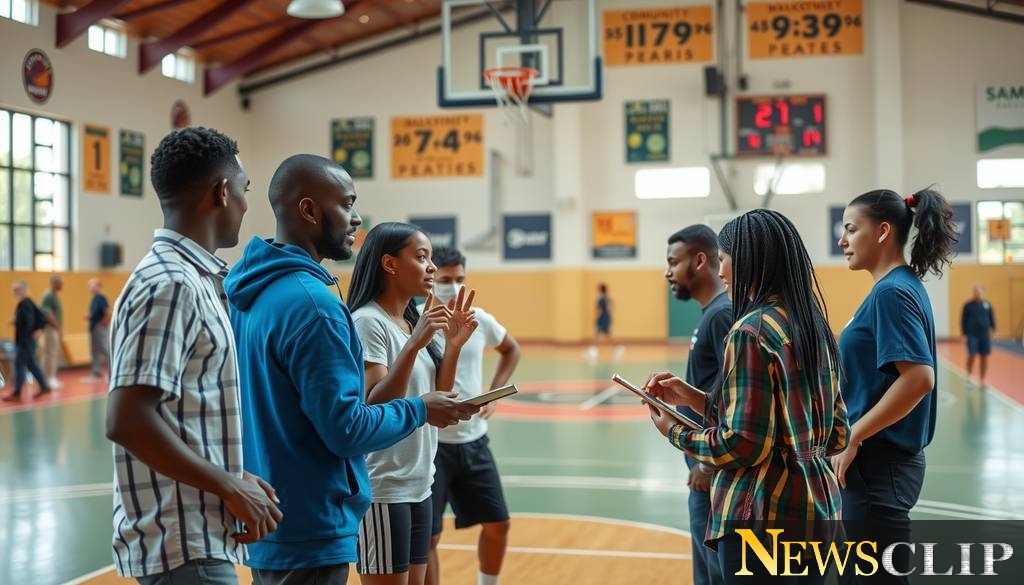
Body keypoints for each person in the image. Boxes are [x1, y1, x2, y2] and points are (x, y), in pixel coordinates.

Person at [225, 154, 477, 585]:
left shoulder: (250, 294)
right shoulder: (315, 305)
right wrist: (419, 409)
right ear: (308, 210)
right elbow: (346, 428)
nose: (356, 218)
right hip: (311, 519)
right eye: (347, 204)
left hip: (270, 511)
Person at [105, 127, 282, 584]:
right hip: (184, 546)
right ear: (222, 192)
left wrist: (233, 473)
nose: (247, 203)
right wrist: (226, 485)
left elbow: (179, 413)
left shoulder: (192, 279)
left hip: (196, 542)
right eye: (244, 190)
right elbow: (127, 418)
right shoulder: (171, 283)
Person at [646, 209, 849, 584]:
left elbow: (743, 445)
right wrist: (697, 399)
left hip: (759, 517)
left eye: (723, 261)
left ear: (747, 263)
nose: (721, 273)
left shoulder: (750, 331)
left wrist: (675, 433)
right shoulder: (814, 326)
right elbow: (837, 433)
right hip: (817, 512)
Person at [833, 188, 957, 584]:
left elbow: (919, 378)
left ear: (883, 230)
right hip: (878, 469)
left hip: (878, 467)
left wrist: (854, 435)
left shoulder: (892, 292)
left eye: (851, 229)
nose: (843, 240)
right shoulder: (897, 287)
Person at [348, 223, 480, 585]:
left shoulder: (409, 323)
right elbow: (374, 405)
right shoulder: (368, 322)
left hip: (420, 481)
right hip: (383, 486)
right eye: (422, 258)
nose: (432, 268)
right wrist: (414, 345)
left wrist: (452, 346)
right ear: (390, 264)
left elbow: (438, 403)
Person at [425, 246, 520, 585]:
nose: (453, 285)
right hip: (433, 446)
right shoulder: (420, 324)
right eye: (446, 279)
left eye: (460, 279)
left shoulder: (479, 318)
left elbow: (511, 349)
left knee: (498, 525)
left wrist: (494, 393)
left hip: (475, 440)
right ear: (432, 278)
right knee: (428, 539)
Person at [663, 225, 731, 585]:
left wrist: (706, 461)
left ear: (700, 260)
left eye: (674, 262)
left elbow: (734, 397)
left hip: (713, 475)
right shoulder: (713, 314)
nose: (668, 272)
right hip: (708, 471)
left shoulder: (722, 315)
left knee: (715, 574)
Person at [4, 280, 50, 402]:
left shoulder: (26, 303)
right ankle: (45, 386)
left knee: (19, 364)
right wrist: (16, 322)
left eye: (17, 289)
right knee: (31, 364)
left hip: (26, 340)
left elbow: (35, 320)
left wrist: (38, 330)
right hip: (25, 340)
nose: (14, 291)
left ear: (24, 289)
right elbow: (36, 319)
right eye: (13, 289)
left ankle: (17, 392)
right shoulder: (24, 304)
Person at [961, 285, 996, 386]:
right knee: (971, 355)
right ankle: (968, 376)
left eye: (980, 292)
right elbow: (963, 320)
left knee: (984, 357)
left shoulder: (987, 305)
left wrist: (993, 329)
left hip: (984, 335)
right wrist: (964, 334)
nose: (978, 294)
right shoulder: (967, 305)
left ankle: (982, 379)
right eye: (976, 292)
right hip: (972, 335)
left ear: (983, 293)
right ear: (973, 293)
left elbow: (991, 318)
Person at [39, 274, 64, 388]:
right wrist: (57, 327)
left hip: (54, 328)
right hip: (50, 328)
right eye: (60, 283)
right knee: (51, 353)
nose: (62, 285)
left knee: (51, 352)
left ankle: (46, 377)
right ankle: (49, 378)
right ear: (54, 283)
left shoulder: (54, 295)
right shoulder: (48, 295)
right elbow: (48, 314)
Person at [83, 278, 110, 382]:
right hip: (93, 327)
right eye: (89, 285)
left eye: (92, 285)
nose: (90, 288)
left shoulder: (101, 298)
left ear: (98, 286)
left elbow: (107, 312)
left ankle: (113, 371)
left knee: (104, 348)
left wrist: (102, 324)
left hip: (99, 328)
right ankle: (96, 372)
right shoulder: (94, 299)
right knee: (94, 351)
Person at [586, 283, 621, 361]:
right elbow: (612, 305)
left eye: (598, 288)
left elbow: (599, 310)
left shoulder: (601, 298)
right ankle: (617, 347)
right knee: (607, 334)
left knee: (596, 333)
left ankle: (593, 351)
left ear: (600, 289)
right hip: (606, 317)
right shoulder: (607, 297)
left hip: (602, 318)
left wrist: (598, 318)